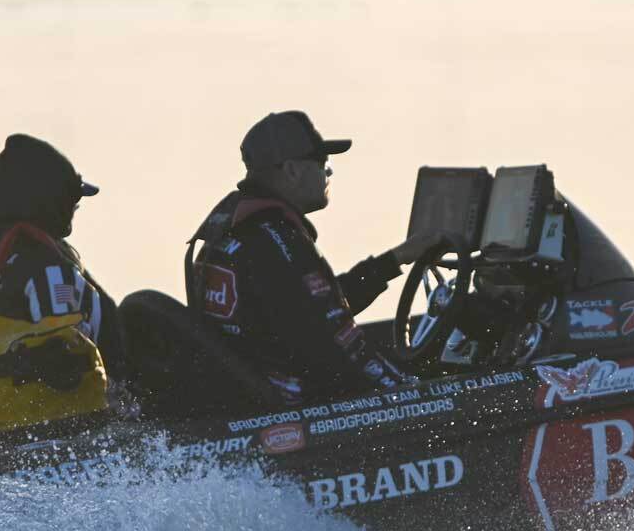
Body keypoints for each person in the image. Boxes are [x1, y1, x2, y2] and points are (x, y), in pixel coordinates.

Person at [186, 110, 444, 403]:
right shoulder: (277, 240)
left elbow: (312, 308)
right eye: (322, 163)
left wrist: (395, 260)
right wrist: (417, 393)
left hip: (250, 397)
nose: (328, 172)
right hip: (293, 410)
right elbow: (335, 347)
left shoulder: (236, 229)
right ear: (292, 170)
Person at [0, 133, 126, 374]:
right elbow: (62, 347)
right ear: (51, 202)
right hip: (93, 396)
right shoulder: (50, 269)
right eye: (72, 202)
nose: (74, 209)